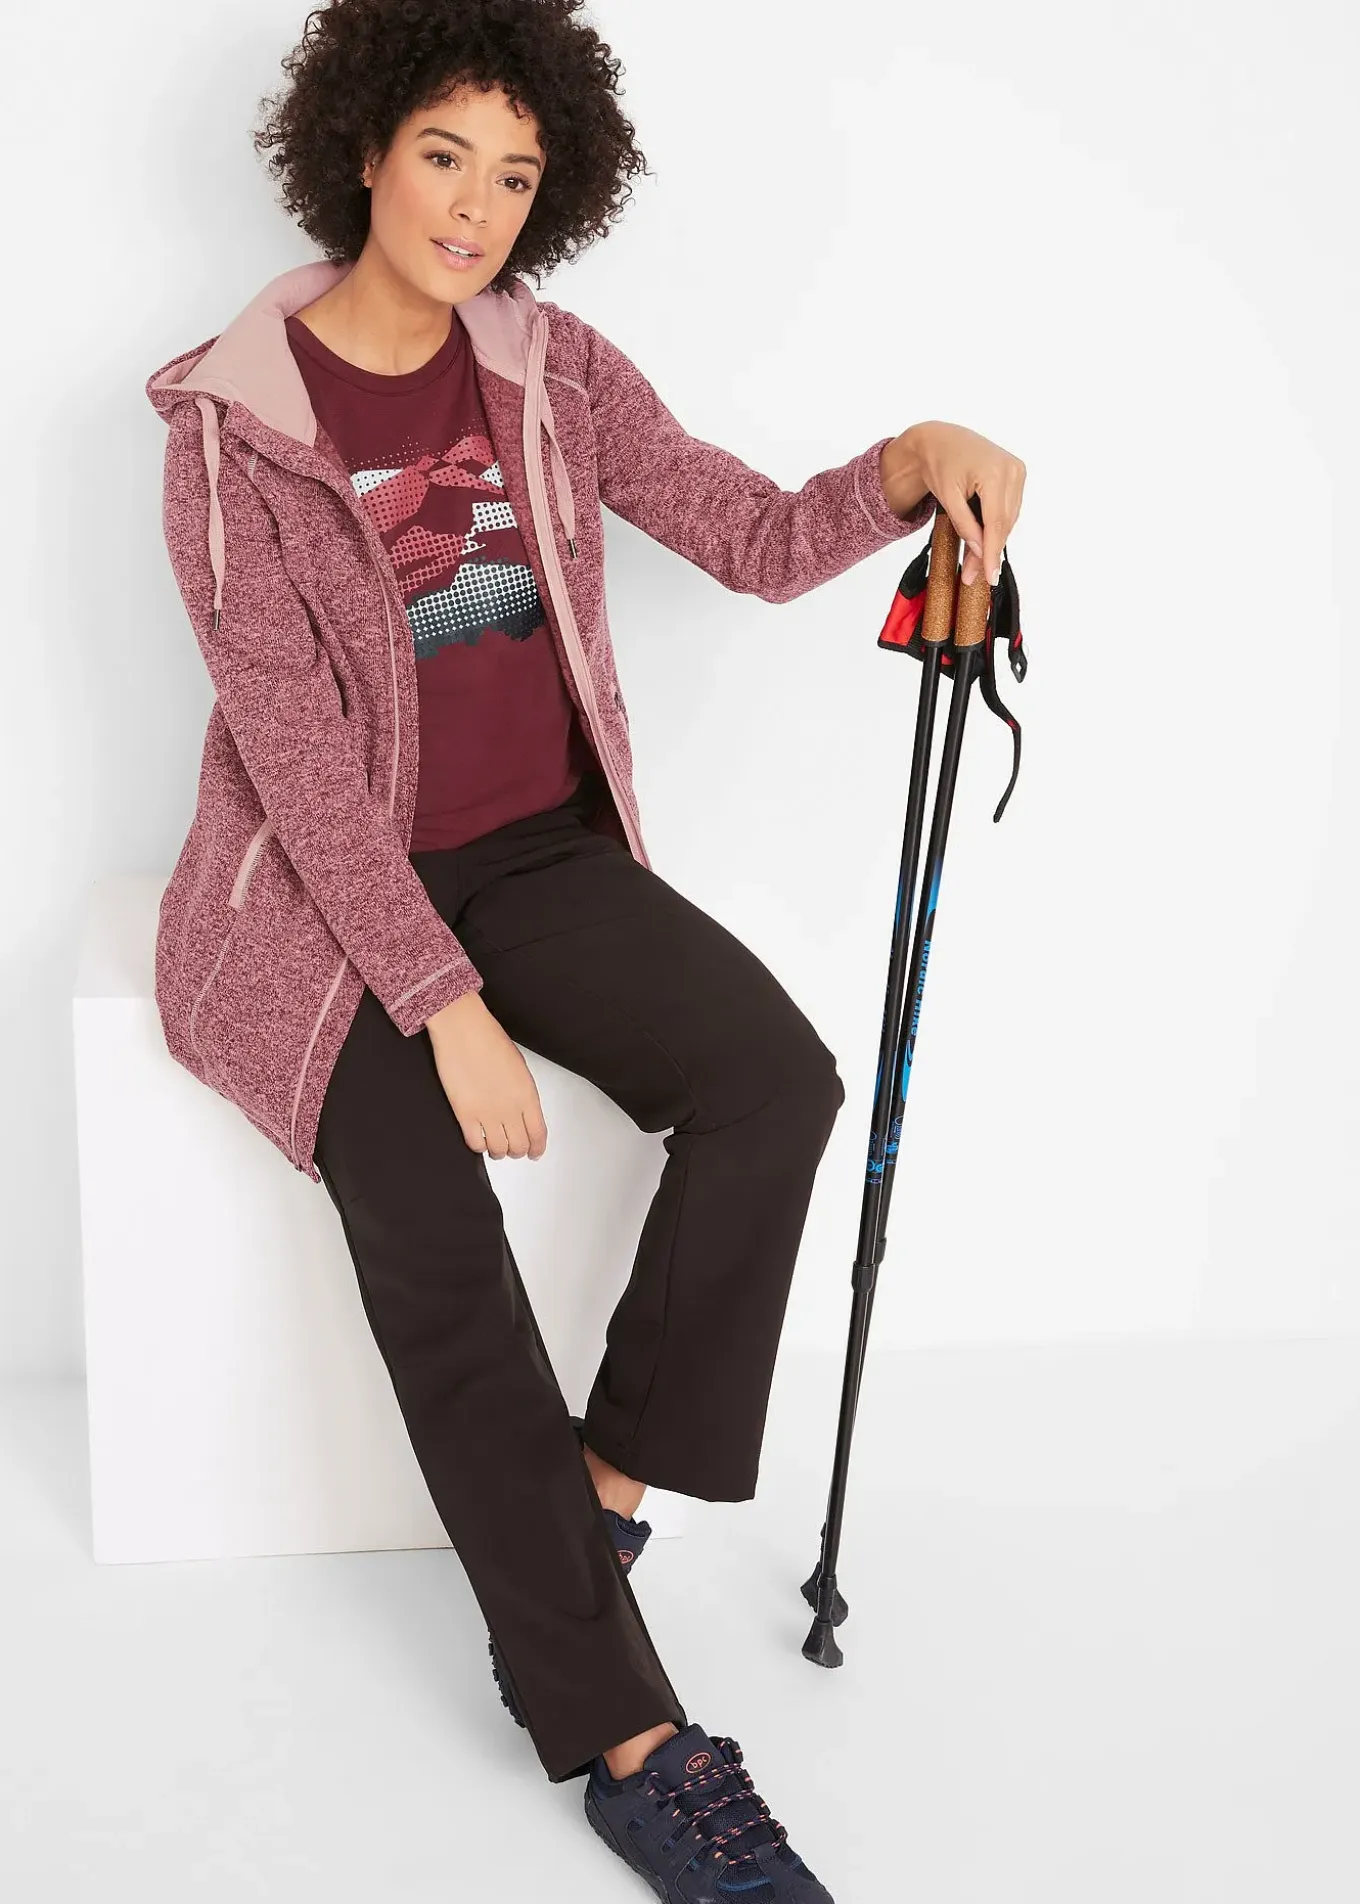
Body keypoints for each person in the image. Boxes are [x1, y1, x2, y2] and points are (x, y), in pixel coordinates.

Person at [144, 1, 1025, 1895]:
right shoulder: (232, 428)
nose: (475, 207)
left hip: (537, 852)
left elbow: (750, 533)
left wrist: (907, 462)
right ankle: (628, 1738)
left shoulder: (551, 372)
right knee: (433, 1227)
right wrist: (441, 1007)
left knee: (771, 1082)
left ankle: (596, 1501)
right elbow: (296, 763)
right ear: (363, 149)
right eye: (443, 156)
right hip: (319, 903)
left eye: (517, 175)